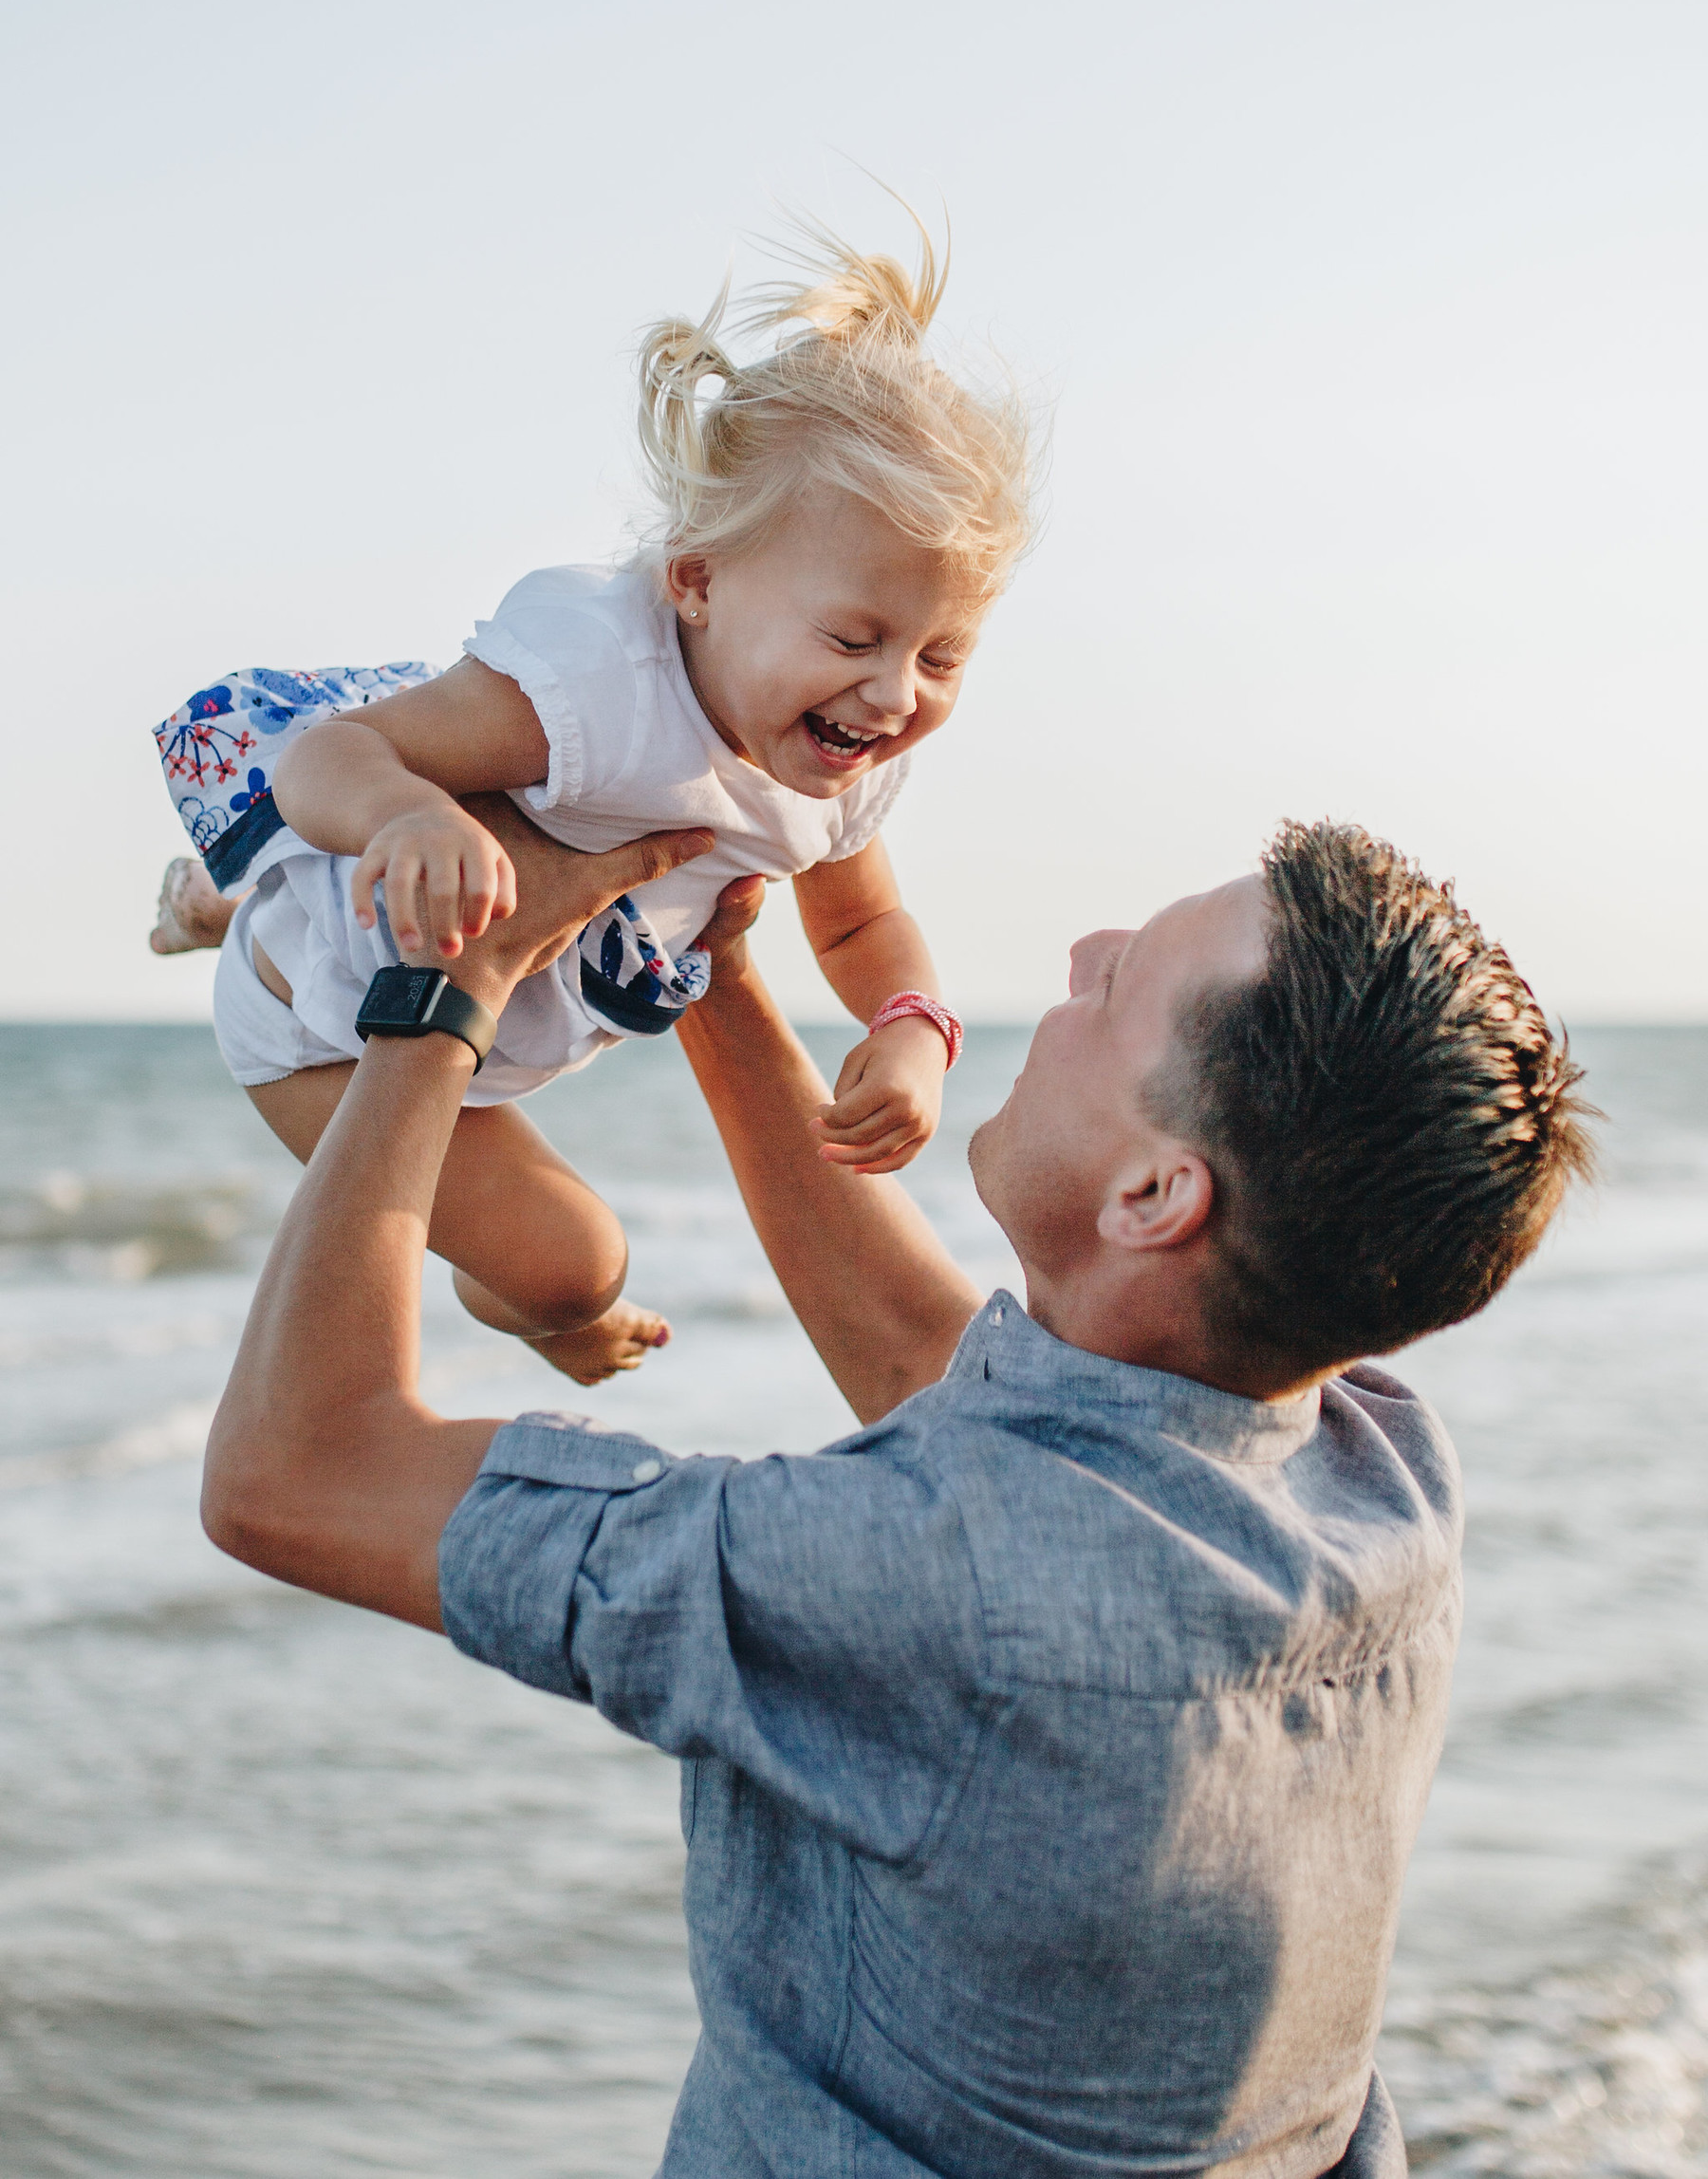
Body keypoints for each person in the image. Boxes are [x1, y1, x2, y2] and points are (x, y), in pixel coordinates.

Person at [201, 801, 1595, 2178]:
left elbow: (296, 1473)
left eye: (1119, 988)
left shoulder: (928, 1583)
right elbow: (967, 1409)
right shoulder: (1379, 1475)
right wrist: (719, 975)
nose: (1080, 952)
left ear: (1155, 1199)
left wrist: (443, 1005)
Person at [149, 220, 1033, 1384]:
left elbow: (861, 922)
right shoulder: (589, 691)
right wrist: (409, 819)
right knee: (576, 1272)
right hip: (317, 1020)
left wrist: (913, 1028)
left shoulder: (839, 769)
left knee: (572, 1254)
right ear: (700, 582)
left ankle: (225, 895)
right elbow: (329, 751)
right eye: (855, 638)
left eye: (942, 657)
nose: (893, 693)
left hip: (495, 1034)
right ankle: (235, 905)